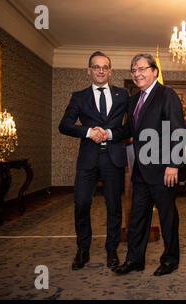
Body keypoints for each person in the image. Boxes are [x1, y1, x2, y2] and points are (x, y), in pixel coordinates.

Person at [113, 53, 185, 276]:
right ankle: (135, 260)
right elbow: (130, 131)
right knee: (137, 217)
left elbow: (177, 131)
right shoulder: (134, 100)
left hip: (164, 170)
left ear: (155, 71)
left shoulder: (167, 95)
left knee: (167, 217)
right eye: (133, 71)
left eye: (142, 69)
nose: (137, 74)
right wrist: (107, 133)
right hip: (140, 171)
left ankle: (170, 260)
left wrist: (173, 164)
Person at [59, 51, 130, 270]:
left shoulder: (123, 95)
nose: (100, 70)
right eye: (96, 66)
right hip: (88, 159)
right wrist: (89, 132)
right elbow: (65, 125)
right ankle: (83, 250)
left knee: (113, 206)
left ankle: (111, 251)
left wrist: (109, 134)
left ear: (110, 71)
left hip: (113, 158)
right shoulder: (78, 97)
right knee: (81, 203)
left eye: (105, 67)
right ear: (89, 70)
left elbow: (130, 126)